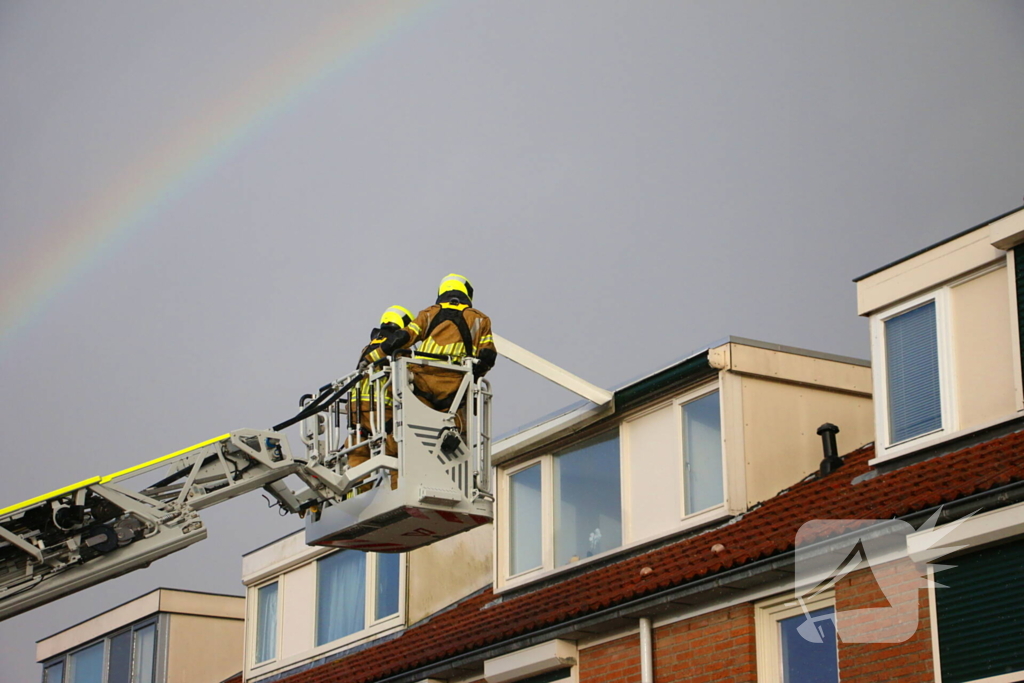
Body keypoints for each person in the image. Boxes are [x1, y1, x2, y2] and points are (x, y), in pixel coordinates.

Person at [379, 274, 496, 417]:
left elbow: (405, 336)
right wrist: (474, 378)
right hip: (456, 384)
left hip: (422, 379)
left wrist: (377, 353)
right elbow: (487, 356)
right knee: (458, 429)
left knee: (415, 419)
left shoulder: (429, 313)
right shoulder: (480, 319)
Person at [346, 305, 412, 490]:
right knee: (399, 452)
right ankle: (398, 492)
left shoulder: (369, 346)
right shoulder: (397, 345)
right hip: (381, 409)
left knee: (358, 454)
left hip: (357, 411)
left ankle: (358, 496)